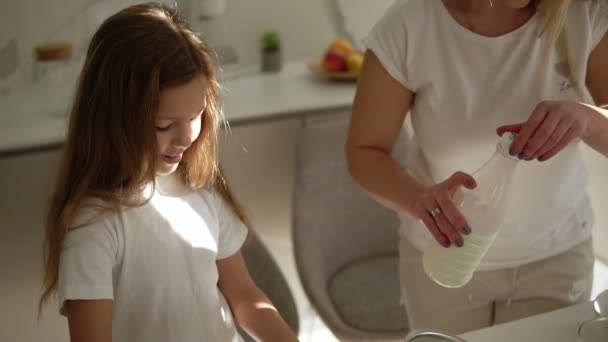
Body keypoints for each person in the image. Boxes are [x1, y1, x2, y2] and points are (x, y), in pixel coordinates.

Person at [38, 3, 299, 342]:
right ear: (115, 120)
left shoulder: (201, 194)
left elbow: (245, 299)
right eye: (164, 125)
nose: (186, 137)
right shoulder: (94, 228)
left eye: (196, 117)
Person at [346, 0, 608, 335]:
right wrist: (419, 200)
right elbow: (364, 151)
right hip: (446, 261)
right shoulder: (409, 26)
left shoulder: (583, 15)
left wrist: (589, 119)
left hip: (555, 260)